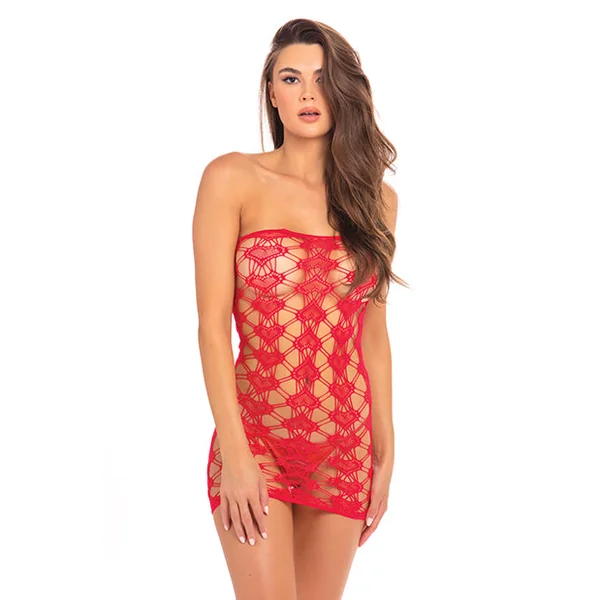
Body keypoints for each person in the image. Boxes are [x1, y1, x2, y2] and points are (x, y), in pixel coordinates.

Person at [192, 17, 409, 600]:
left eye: (322, 78)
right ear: (272, 92)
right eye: (291, 78)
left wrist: (386, 445)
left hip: (344, 445)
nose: (308, 93)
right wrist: (235, 454)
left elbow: (372, 332)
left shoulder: (376, 201)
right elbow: (211, 328)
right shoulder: (231, 178)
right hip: (255, 438)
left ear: (343, 90)